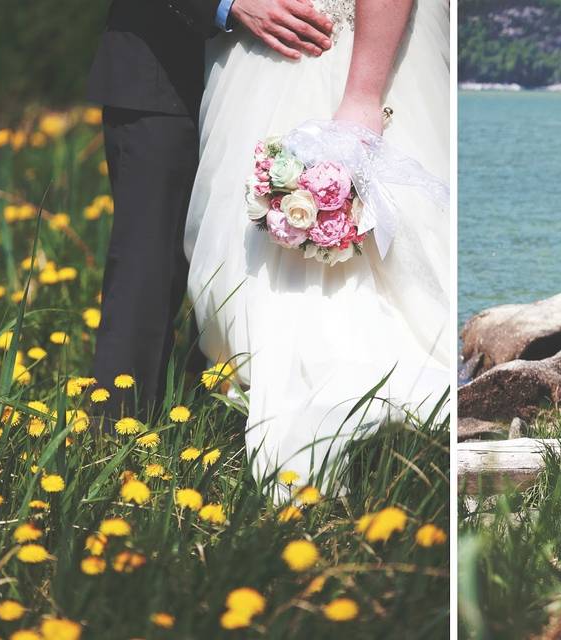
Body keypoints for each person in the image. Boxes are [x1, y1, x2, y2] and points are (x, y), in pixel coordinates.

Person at [183, 0, 453, 491]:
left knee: (357, 278)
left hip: (345, 50)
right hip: (258, 53)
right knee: (253, 272)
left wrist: (363, 95)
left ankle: (369, 449)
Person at [85, 0, 334, 421]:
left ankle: (223, 427)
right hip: (165, 74)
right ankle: (112, 444)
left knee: (256, 260)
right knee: (146, 269)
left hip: (278, 80)